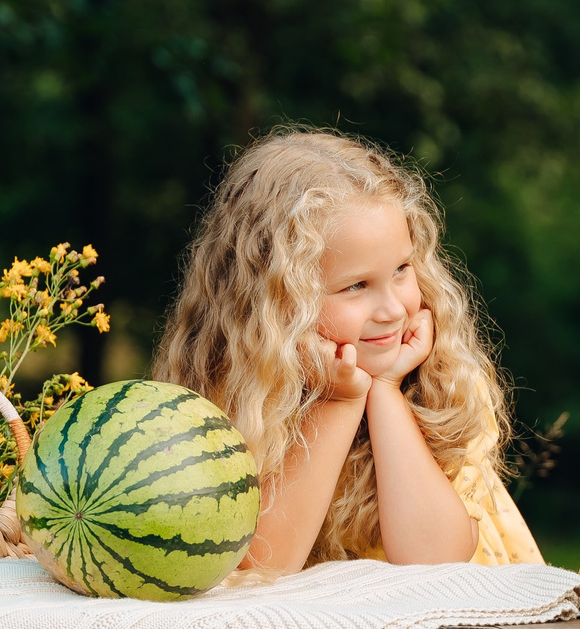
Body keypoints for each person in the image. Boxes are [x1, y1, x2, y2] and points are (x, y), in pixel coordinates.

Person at [155, 128, 543, 579]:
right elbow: (261, 567)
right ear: (277, 303)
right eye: (356, 286)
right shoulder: (224, 401)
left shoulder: (446, 388)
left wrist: (384, 389)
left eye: (401, 270)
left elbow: (436, 561)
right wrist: (339, 400)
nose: (395, 309)